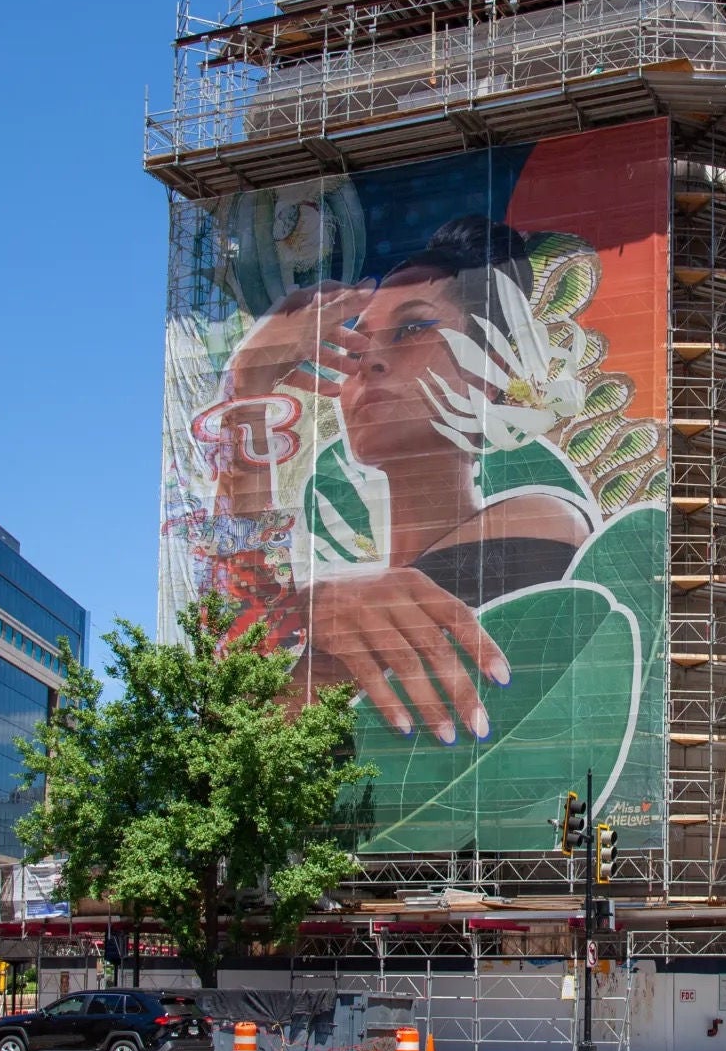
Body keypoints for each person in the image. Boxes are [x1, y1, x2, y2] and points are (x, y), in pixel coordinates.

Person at [210, 215, 594, 744]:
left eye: (413, 328)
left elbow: (262, 708)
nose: (370, 362)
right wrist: (247, 385)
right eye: (353, 346)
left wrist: (308, 609)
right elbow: (240, 696)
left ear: (494, 370)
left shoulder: (541, 520)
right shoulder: (351, 597)